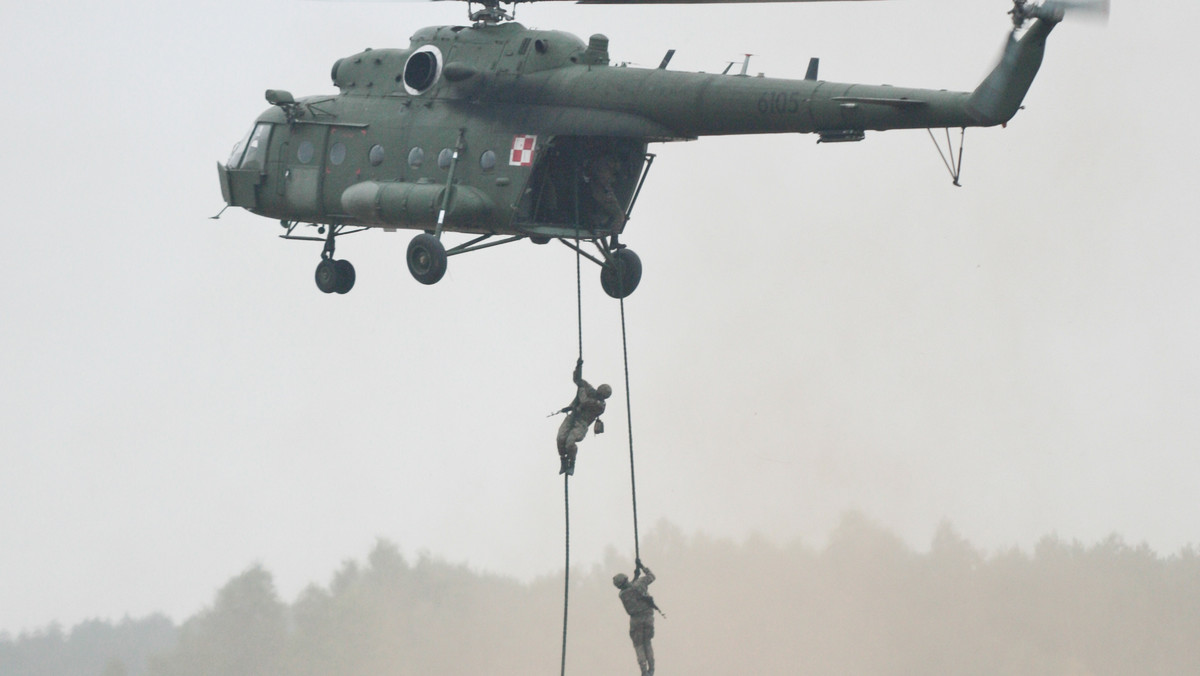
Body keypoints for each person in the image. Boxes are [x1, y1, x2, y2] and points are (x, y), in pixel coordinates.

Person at [555, 358, 611, 475]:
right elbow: (578, 380)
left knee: (570, 442)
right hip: (572, 417)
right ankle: (563, 461)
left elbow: (585, 401)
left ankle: (572, 463)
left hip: (581, 424)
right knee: (560, 438)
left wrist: (581, 389)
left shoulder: (600, 406)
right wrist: (578, 367)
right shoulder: (591, 391)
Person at [614, 559, 659, 676]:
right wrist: (642, 567)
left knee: (639, 645)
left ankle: (644, 672)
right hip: (648, 617)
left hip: (635, 621)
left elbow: (630, 589)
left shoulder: (622, 595)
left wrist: (635, 577)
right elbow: (651, 577)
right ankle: (652, 670)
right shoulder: (640, 583)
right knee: (647, 643)